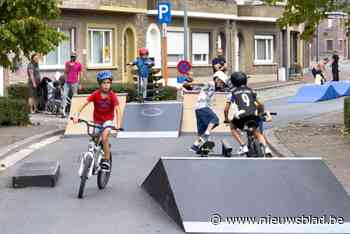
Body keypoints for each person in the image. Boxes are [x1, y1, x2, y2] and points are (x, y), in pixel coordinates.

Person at [72, 71, 121, 171]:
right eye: (104, 83)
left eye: (108, 82)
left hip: (108, 121)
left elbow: (118, 110)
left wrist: (118, 125)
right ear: (99, 84)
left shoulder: (112, 95)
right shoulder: (96, 94)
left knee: (104, 137)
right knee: (94, 140)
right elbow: (83, 104)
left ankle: (106, 160)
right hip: (97, 121)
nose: (106, 85)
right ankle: (93, 159)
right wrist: (76, 115)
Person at [224, 72, 272, 156]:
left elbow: (226, 109)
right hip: (253, 114)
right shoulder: (251, 90)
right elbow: (261, 104)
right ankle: (266, 148)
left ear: (233, 82)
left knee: (232, 128)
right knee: (257, 132)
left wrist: (227, 119)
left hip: (242, 115)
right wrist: (260, 113)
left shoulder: (232, 93)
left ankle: (243, 145)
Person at [190, 81, 220, 152]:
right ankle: (206, 134)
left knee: (202, 130)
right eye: (221, 83)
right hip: (203, 107)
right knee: (215, 119)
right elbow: (202, 83)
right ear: (217, 79)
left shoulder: (214, 88)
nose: (221, 85)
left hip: (198, 109)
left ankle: (195, 145)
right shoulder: (211, 83)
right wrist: (190, 84)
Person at [61, 51, 83, 117]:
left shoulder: (78, 64)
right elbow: (65, 72)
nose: (73, 57)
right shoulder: (67, 63)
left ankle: (75, 111)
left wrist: (79, 83)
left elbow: (79, 74)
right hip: (67, 82)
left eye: (74, 56)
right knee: (64, 96)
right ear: (70, 57)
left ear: (76, 57)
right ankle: (63, 111)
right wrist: (64, 80)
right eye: (72, 56)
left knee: (75, 96)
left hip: (75, 82)